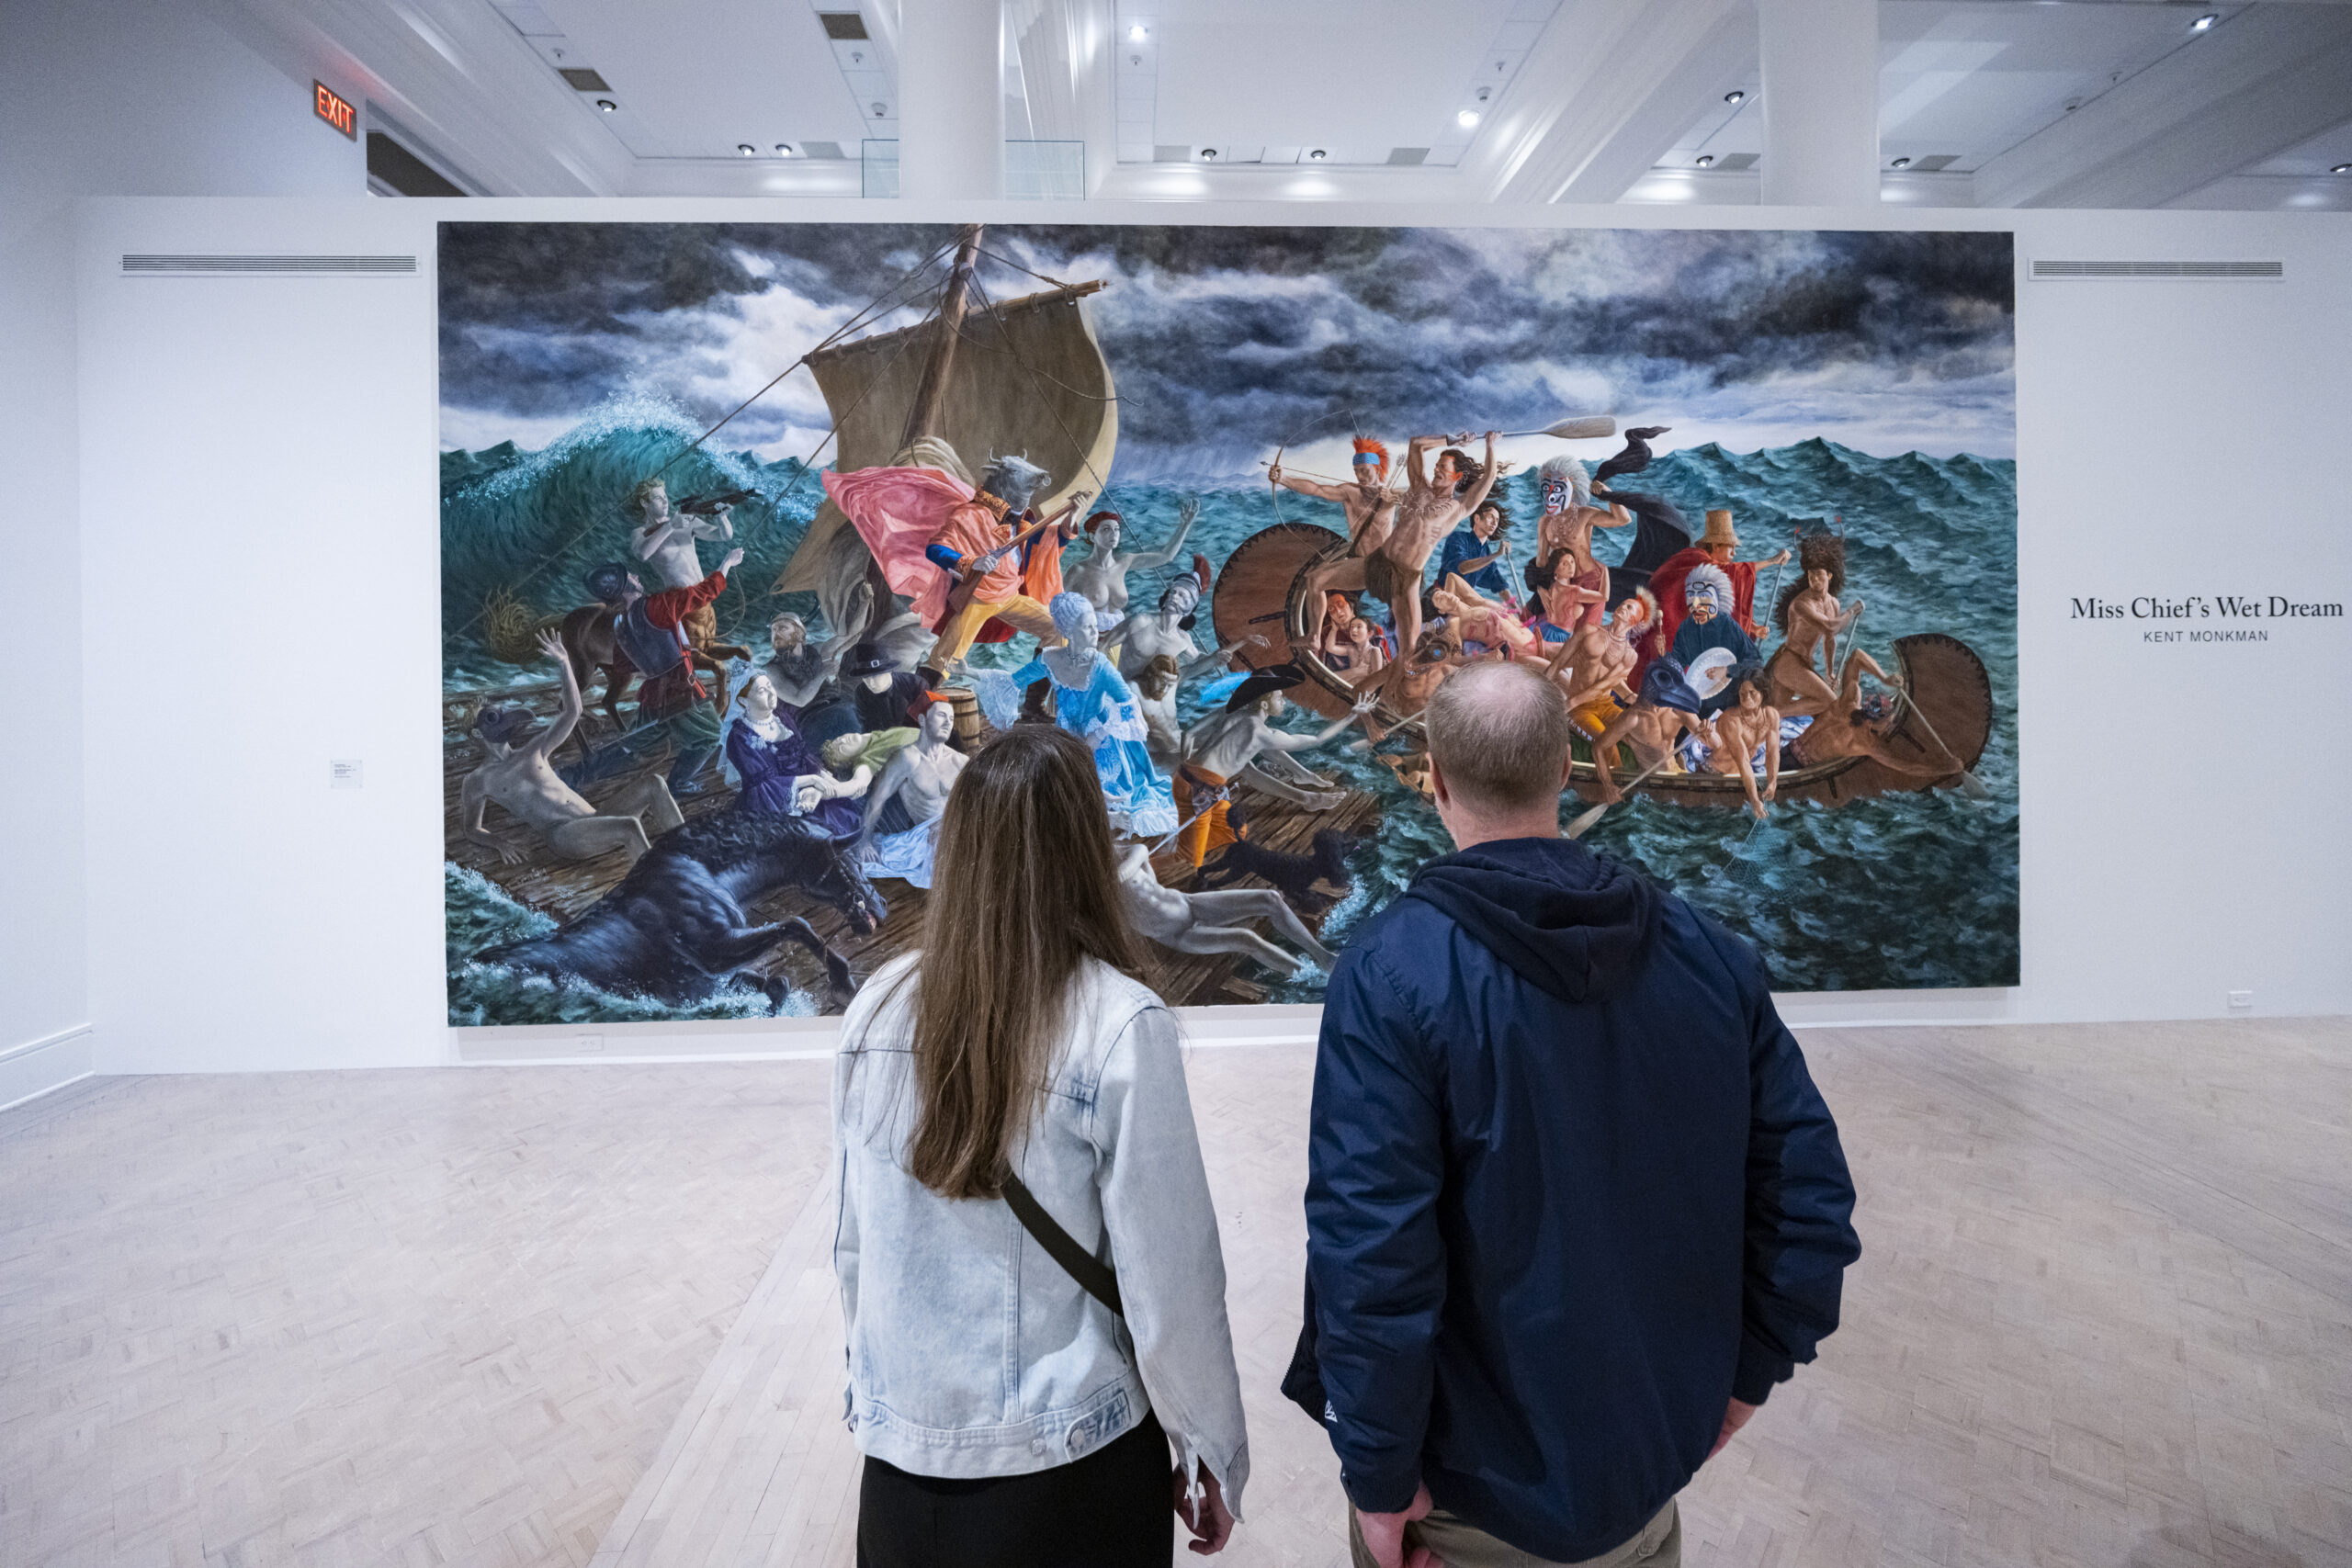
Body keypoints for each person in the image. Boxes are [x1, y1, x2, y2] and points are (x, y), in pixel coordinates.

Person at [1301, 660, 1860, 1568]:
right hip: (1643, 1475)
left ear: (1433, 779)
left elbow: (1371, 1255)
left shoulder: (1389, 975)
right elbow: (1807, 1198)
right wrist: (1746, 1374)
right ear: (1565, 769)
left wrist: (1377, 1479)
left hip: (1470, 1505)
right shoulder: (1709, 953)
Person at [833, 725, 1250, 1567]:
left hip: (902, 1480)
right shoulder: (1117, 1021)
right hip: (1068, 1472)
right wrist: (1210, 1445)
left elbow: (854, 1244)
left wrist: (881, 1398)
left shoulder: (876, 1008)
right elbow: (1170, 1272)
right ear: (1084, 847)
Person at [461, 629, 684, 865]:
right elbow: (471, 828)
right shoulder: (479, 780)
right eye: (493, 718)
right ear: (477, 732)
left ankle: (690, 853)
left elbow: (572, 711)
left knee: (655, 783)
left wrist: (565, 662)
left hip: (596, 820)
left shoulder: (534, 750)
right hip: (564, 835)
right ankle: (663, 881)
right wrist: (500, 843)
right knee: (629, 826)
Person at [992, 592, 1180, 837]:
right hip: (1067, 733)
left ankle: (1112, 817)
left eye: (1095, 626)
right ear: (1069, 632)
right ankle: (1102, 817)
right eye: (1088, 627)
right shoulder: (1051, 657)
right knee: (1052, 787)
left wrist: (1100, 733)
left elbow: (1128, 705)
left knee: (1093, 786)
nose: (1095, 632)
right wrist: (972, 673)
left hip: (1101, 737)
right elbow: (1014, 681)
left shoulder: (1099, 665)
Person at [566, 550, 743, 796]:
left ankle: (574, 774)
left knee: (630, 746)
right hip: (682, 691)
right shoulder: (656, 606)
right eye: (631, 577)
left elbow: (624, 665)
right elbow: (703, 593)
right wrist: (727, 564)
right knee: (710, 737)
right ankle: (678, 784)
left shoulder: (619, 623)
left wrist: (660, 655)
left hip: (652, 696)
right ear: (625, 587)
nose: (637, 577)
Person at [1175, 666, 1372, 869]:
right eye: (1279, 698)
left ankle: (1306, 790)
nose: (1283, 702)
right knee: (1189, 860)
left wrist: (1186, 766)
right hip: (1199, 792)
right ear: (1265, 702)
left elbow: (1187, 735)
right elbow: (1317, 739)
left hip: (1185, 778)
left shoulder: (1230, 711)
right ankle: (1179, 851)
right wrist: (1351, 716)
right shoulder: (1259, 732)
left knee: (1234, 831)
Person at [925, 456, 1067, 673]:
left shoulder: (1024, 520)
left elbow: (1046, 541)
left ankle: (1034, 698)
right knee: (944, 661)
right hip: (979, 596)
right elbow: (934, 549)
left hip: (1010, 595)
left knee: (1058, 630)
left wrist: (1073, 514)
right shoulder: (969, 514)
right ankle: (919, 704)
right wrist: (973, 562)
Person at [1274, 436, 1405, 650]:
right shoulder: (1350, 492)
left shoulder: (1390, 496)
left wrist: (1396, 497)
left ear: (1377, 468)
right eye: (1357, 471)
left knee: (1316, 581)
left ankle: (1316, 639)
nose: (1360, 476)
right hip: (1360, 563)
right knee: (1325, 593)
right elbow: (1317, 489)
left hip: (1381, 565)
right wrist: (1284, 480)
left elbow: (1410, 498)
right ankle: (1326, 642)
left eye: (1365, 470)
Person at [724, 672, 868, 837]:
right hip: (772, 801)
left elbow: (803, 757)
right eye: (762, 691)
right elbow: (764, 785)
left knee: (845, 814)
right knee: (812, 836)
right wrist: (813, 780)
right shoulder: (740, 736)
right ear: (744, 701)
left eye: (770, 686)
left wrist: (835, 785)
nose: (771, 693)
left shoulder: (782, 718)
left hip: (805, 788)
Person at [856, 692, 967, 887]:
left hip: (957, 828)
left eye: (951, 718)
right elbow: (877, 800)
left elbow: (977, 804)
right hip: (924, 838)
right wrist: (864, 841)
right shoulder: (908, 758)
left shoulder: (960, 761)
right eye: (941, 715)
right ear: (923, 720)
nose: (948, 722)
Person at [1068, 502, 1201, 622]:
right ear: (1092, 536)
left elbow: (1166, 556)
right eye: (1106, 529)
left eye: (1117, 529)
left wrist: (1185, 524)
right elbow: (1062, 610)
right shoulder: (1079, 570)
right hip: (1088, 639)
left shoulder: (1124, 561)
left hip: (1116, 637)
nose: (1114, 534)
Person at [1700, 664, 1782, 820]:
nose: (1746, 698)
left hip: (1739, 779)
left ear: (1763, 693)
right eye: (1742, 693)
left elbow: (1772, 751)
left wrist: (1772, 781)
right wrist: (1754, 800)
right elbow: (1743, 760)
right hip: (1713, 775)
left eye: (1752, 693)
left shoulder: (1772, 715)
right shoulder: (1731, 720)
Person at [1435, 499, 1513, 598]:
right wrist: (1496, 554)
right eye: (1490, 517)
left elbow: (1500, 586)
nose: (1494, 523)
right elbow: (1462, 568)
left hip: (1464, 601)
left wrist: (1518, 611)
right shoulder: (1458, 538)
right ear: (1477, 519)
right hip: (1442, 597)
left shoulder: (1486, 553)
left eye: (1497, 520)